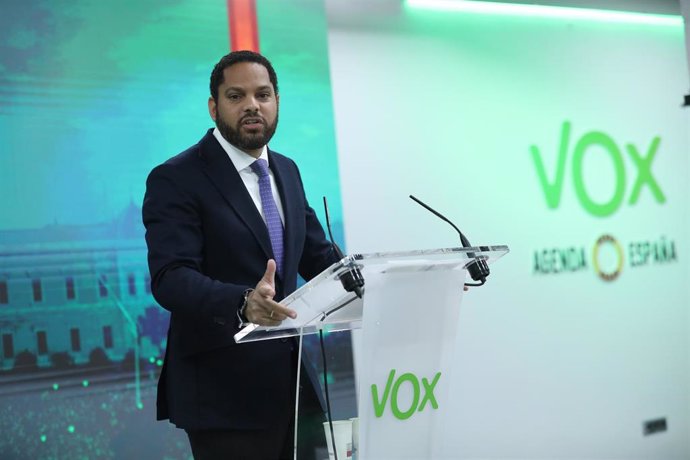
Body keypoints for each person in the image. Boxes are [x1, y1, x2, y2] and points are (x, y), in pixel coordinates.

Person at [142, 50, 340, 460]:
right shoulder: (176, 178)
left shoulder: (287, 170)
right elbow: (171, 277)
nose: (252, 105)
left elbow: (319, 258)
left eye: (263, 94)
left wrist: (403, 286)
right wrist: (243, 304)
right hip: (222, 396)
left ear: (277, 102)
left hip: (295, 388)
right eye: (237, 96)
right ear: (214, 107)